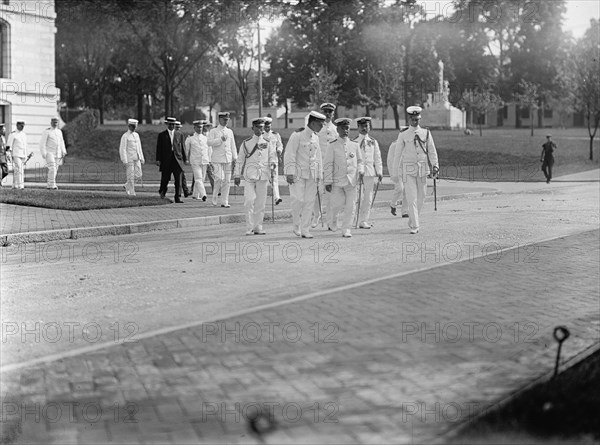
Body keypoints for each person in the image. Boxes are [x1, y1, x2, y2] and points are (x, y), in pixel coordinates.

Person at [392, 106, 439, 234]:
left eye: (417, 119)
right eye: (413, 119)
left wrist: (435, 165)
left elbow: (432, 151)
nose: (415, 122)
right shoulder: (403, 134)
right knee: (411, 198)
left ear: (419, 119)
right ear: (409, 119)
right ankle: (415, 226)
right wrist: (395, 173)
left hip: (423, 168)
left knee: (422, 197)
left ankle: (413, 220)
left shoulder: (426, 133)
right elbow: (397, 154)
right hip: (408, 169)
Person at [284, 110, 326, 238]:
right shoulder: (297, 135)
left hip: (312, 175)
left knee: (309, 201)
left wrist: (319, 174)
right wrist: (289, 173)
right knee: (298, 200)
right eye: (320, 124)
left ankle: (305, 229)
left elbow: (318, 157)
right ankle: (296, 224)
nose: (322, 127)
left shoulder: (316, 137)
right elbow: (289, 154)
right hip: (298, 173)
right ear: (313, 123)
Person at [234, 118, 277, 235]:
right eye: (257, 127)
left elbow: (272, 156)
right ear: (253, 128)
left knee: (260, 203)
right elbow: (240, 160)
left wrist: (273, 165)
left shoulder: (268, 142)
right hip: (249, 175)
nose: (260, 129)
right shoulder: (246, 143)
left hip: (263, 175)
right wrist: (236, 175)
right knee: (249, 200)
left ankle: (258, 227)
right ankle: (249, 227)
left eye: (262, 127)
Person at [324, 118, 364, 238]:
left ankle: (346, 229)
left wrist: (361, 170)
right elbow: (328, 164)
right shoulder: (332, 145)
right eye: (343, 128)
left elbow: (360, 160)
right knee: (337, 204)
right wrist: (328, 181)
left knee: (351, 206)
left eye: (347, 128)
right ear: (337, 129)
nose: (345, 130)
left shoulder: (354, 145)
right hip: (337, 181)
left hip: (351, 180)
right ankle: (333, 219)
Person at [353, 117, 383, 229]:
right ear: (358, 127)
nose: (364, 128)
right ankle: (354, 219)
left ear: (369, 127)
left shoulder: (373, 142)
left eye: (366, 126)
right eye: (362, 126)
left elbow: (377, 158)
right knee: (357, 197)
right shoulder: (354, 142)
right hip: (358, 173)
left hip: (370, 171)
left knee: (368, 197)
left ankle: (363, 220)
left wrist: (379, 171)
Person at [312, 102, 338, 227]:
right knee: (317, 192)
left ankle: (329, 221)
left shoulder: (336, 129)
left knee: (330, 195)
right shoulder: (317, 127)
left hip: (331, 167)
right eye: (325, 112)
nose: (327, 114)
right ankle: (316, 216)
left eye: (330, 112)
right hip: (318, 164)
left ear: (333, 114)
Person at [207, 111, 237, 207]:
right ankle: (215, 198)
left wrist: (235, 157)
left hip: (227, 159)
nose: (226, 121)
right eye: (224, 119)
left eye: (227, 120)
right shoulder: (214, 131)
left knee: (227, 181)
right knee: (219, 178)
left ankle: (224, 201)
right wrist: (220, 140)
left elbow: (233, 145)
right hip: (217, 159)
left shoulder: (230, 131)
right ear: (219, 119)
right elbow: (209, 143)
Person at [156, 117, 187, 203]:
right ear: (167, 124)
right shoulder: (162, 135)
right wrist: (158, 159)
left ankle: (178, 197)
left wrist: (185, 158)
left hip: (177, 160)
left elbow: (183, 148)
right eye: (170, 124)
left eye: (173, 124)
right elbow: (159, 148)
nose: (171, 126)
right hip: (166, 160)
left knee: (178, 180)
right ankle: (162, 192)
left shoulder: (179, 134)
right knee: (165, 178)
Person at [185, 120, 211, 200]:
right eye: (198, 127)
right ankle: (203, 195)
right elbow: (186, 150)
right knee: (199, 178)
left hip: (204, 161)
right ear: (194, 128)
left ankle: (195, 194)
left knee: (201, 179)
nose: (200, 129)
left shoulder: (206, 138)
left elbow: (209, 150)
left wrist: (209, 160)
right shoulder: (190, 139)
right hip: (195, 161)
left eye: (201, 127)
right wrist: (186, 159)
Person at [39, 117, 67, 190]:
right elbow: (42, 143)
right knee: (52, 168)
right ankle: (52, 185)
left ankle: (50, 184)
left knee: (55, 169)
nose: (55, 123)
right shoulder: (47, 131)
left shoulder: (59, 132)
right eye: (54, 122)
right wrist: (43, 153)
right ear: (51, 122)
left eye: (56, 122)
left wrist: (63, 151)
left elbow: (62, 142)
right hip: (49, 153)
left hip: (57, 153)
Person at [119, 118, 145, 196]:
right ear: (129, 126)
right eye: (132, 126)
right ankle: (132, 193)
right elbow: (122, 149)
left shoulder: (137, 135)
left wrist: (142, 158)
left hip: (137, 158)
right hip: (129, 159)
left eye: (135, 127)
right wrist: (124, 160)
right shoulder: (125, 136)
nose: (134, 128)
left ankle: (127, 186)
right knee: (130, 176)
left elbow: (139, 147)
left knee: (139, 175)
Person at [262, 116, 283, 205]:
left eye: (269, 126)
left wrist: (279, 151)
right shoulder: (261, 135)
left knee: (274, 179)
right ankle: (258, 197)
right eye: (266, 127)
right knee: (263, 180)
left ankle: (277, 197)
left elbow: (280, 145)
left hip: (273, 160)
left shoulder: (275, 135)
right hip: (263, 161)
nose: (267, 128)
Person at [387, 138, 408, 218]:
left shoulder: (410, 143)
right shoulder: (395, 144)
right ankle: (393, 204)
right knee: (400, 188)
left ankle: (405, 211)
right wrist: (392, 173)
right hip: (396, 170)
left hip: (407, 169)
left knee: (407, 191)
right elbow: (390, 159)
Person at [6, 121, 28, 189]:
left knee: (17, 170)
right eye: (21, 125)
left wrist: (26, 155)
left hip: (23, 155)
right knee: (19, 169)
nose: (22, 127)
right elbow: (9, 146)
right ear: (17, 125)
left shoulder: (24, 134)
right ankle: (20, 185)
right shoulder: (13, 134)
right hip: (16, 154)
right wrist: (8, 155)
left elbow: (25, 146)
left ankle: (14, 184)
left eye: (23, 126)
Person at [175, 120, 192, 197]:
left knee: (182, 176)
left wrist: (185, 159)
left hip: (179, 159)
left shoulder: (181, 135)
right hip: (171, 159)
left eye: (178, 127)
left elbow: (183, 148)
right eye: (176, 127)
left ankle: (184, 191)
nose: (177, 129)